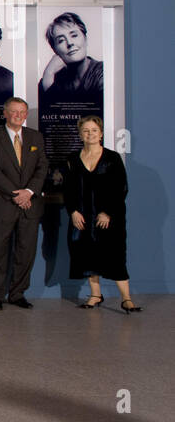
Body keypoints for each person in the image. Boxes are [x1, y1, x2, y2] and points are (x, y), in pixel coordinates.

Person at [64, 116, 140, 313]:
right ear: (80, 134)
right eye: (86, 131)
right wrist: (72, 211)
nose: (90, 134)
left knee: (114, 256)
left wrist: (108, 213)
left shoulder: (112, 158)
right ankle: (95, 295)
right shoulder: (72, 159)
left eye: (94, 130)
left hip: (107, 218)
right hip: (82, 216)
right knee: (87, 255)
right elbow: (68, 189)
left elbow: (121, 188)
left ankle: (126, 299)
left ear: (101, 133)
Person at [0, 96, 47, 310]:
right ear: (5, 113)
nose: (18, 115)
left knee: (25, 251)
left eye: (22, 112)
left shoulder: (36, 137)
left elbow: (42, 168)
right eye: (14, 111)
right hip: (2, 203)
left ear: (26, 115)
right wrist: (16, 194)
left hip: (30, 205)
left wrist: (28, 192)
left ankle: (17, 294)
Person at [40, 12, 104, 102]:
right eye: (61, 40)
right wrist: (48, 73)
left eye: (74, 35)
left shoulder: (103, 72)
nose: (70, 43)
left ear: (85, 39)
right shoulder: (53, 78)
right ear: (55, 50)